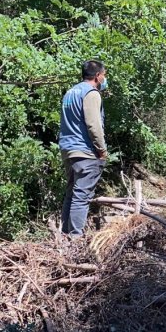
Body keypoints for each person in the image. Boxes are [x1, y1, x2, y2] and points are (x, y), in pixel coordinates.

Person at [58, 60, 109, 237]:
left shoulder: (70, 93)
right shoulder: (91, 94)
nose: (105, 78)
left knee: (71, 194)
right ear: (97, 76)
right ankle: (75, 238)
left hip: (68, 150)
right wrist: (102, 150)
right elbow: (94, 125)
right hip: (86, 152)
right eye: (104, 74)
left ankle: (64, 236)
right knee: (82, 196)